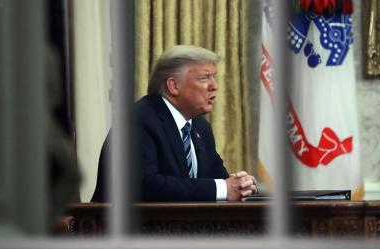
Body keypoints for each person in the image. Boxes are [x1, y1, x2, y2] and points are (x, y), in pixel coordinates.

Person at [92, 45, 257, 202]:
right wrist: (222, 188)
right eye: (205, 77)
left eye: (214, 77)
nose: (214, 86)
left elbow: (217, 178)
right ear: (174, 86)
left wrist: (240, 184)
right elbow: (143, 185)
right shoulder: (138, 120)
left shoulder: (200, 127)